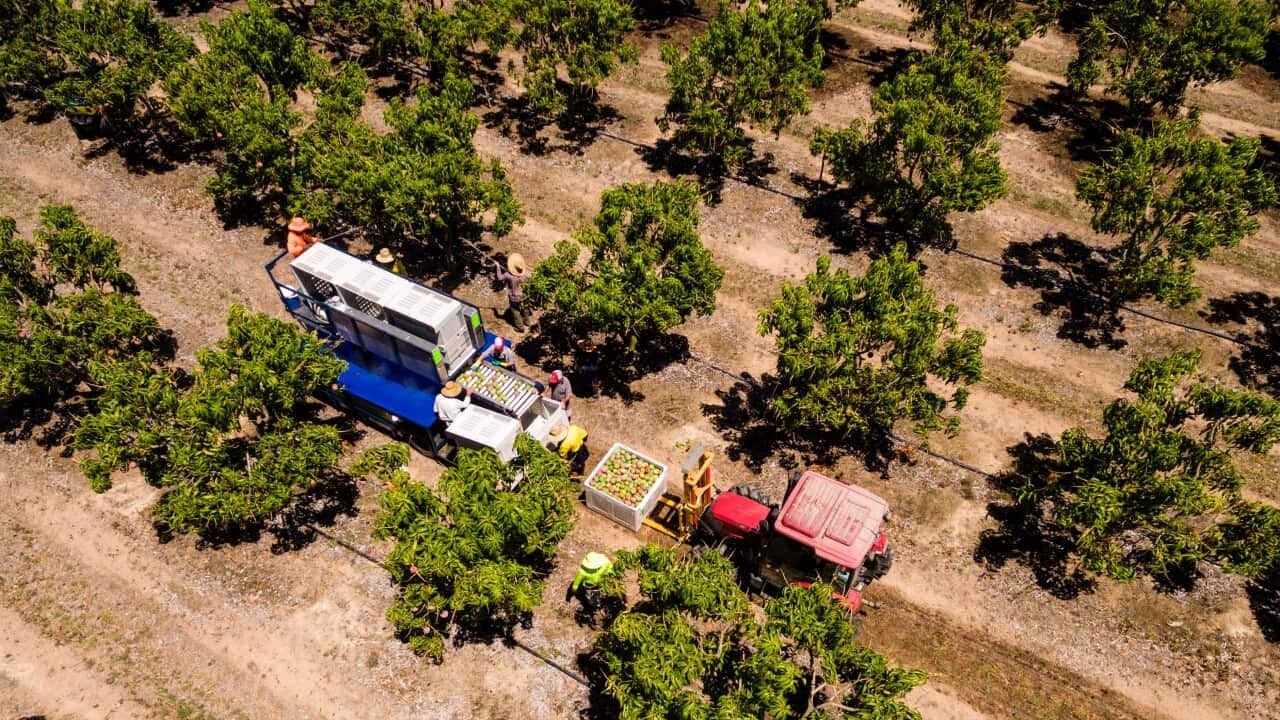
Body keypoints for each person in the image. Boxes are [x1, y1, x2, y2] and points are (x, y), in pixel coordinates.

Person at [494, 253, 530, 332]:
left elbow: (500, 278)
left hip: (514, 297)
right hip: (524, 295)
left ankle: (520, 327)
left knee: (515, 311)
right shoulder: (527, 273)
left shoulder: (508, 275)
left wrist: (498, 267)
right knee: (525, 308)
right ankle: (527, 322)